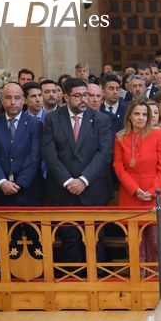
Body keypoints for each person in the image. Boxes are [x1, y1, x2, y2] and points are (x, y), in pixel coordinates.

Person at [42, 78, 114, 266]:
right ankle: (72, 283)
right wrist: (67, 181)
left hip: (93, 190)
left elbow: (104, 153)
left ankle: (97, 283)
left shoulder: (101, 120)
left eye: (86, 95)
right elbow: (49, 154)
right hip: (63, 191)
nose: (84, 100)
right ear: (65, 97)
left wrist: (83, 180)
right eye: (78, 96)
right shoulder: (52, 119)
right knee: (70, 241)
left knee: (94, 240)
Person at [113, 99, 161, 263]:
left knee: (154, 241)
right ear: (129, 116)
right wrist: (135, 189)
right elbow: (118, 166)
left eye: (145, 114)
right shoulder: (120, 137)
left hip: (154, 194)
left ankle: (155, 280)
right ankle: (138, 279)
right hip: (131, 194)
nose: (141, 118)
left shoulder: (158, 135)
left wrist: (152, 191)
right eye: (137, 114)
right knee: (134, 242)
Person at [0, 82, 44, 207]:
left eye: (17, 98)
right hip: (1, 191)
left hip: (29, 190)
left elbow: (34, 156)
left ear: (23, 100)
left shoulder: (35, 124)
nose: (12, 102)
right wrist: (2, 182)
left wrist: (20, 183)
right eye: (8, 97)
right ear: (1, 99)